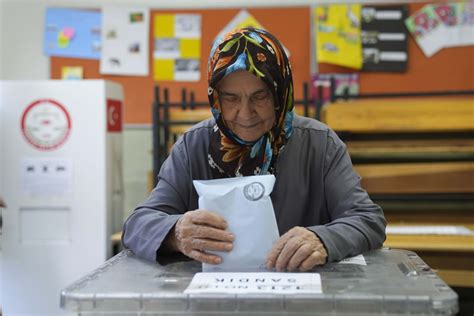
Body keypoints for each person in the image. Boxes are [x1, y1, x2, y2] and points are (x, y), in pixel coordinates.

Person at [122, 27, 386, 272]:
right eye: (230, 98)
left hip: (302, 295)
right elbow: (137, 224)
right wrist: (175, 232)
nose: (245, 113)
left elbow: (367, 219)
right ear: (215, 97)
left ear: (281, 94)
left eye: (260, 96)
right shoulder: (194, 145)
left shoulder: (319, 144)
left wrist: (323, 239)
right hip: (214, 299)